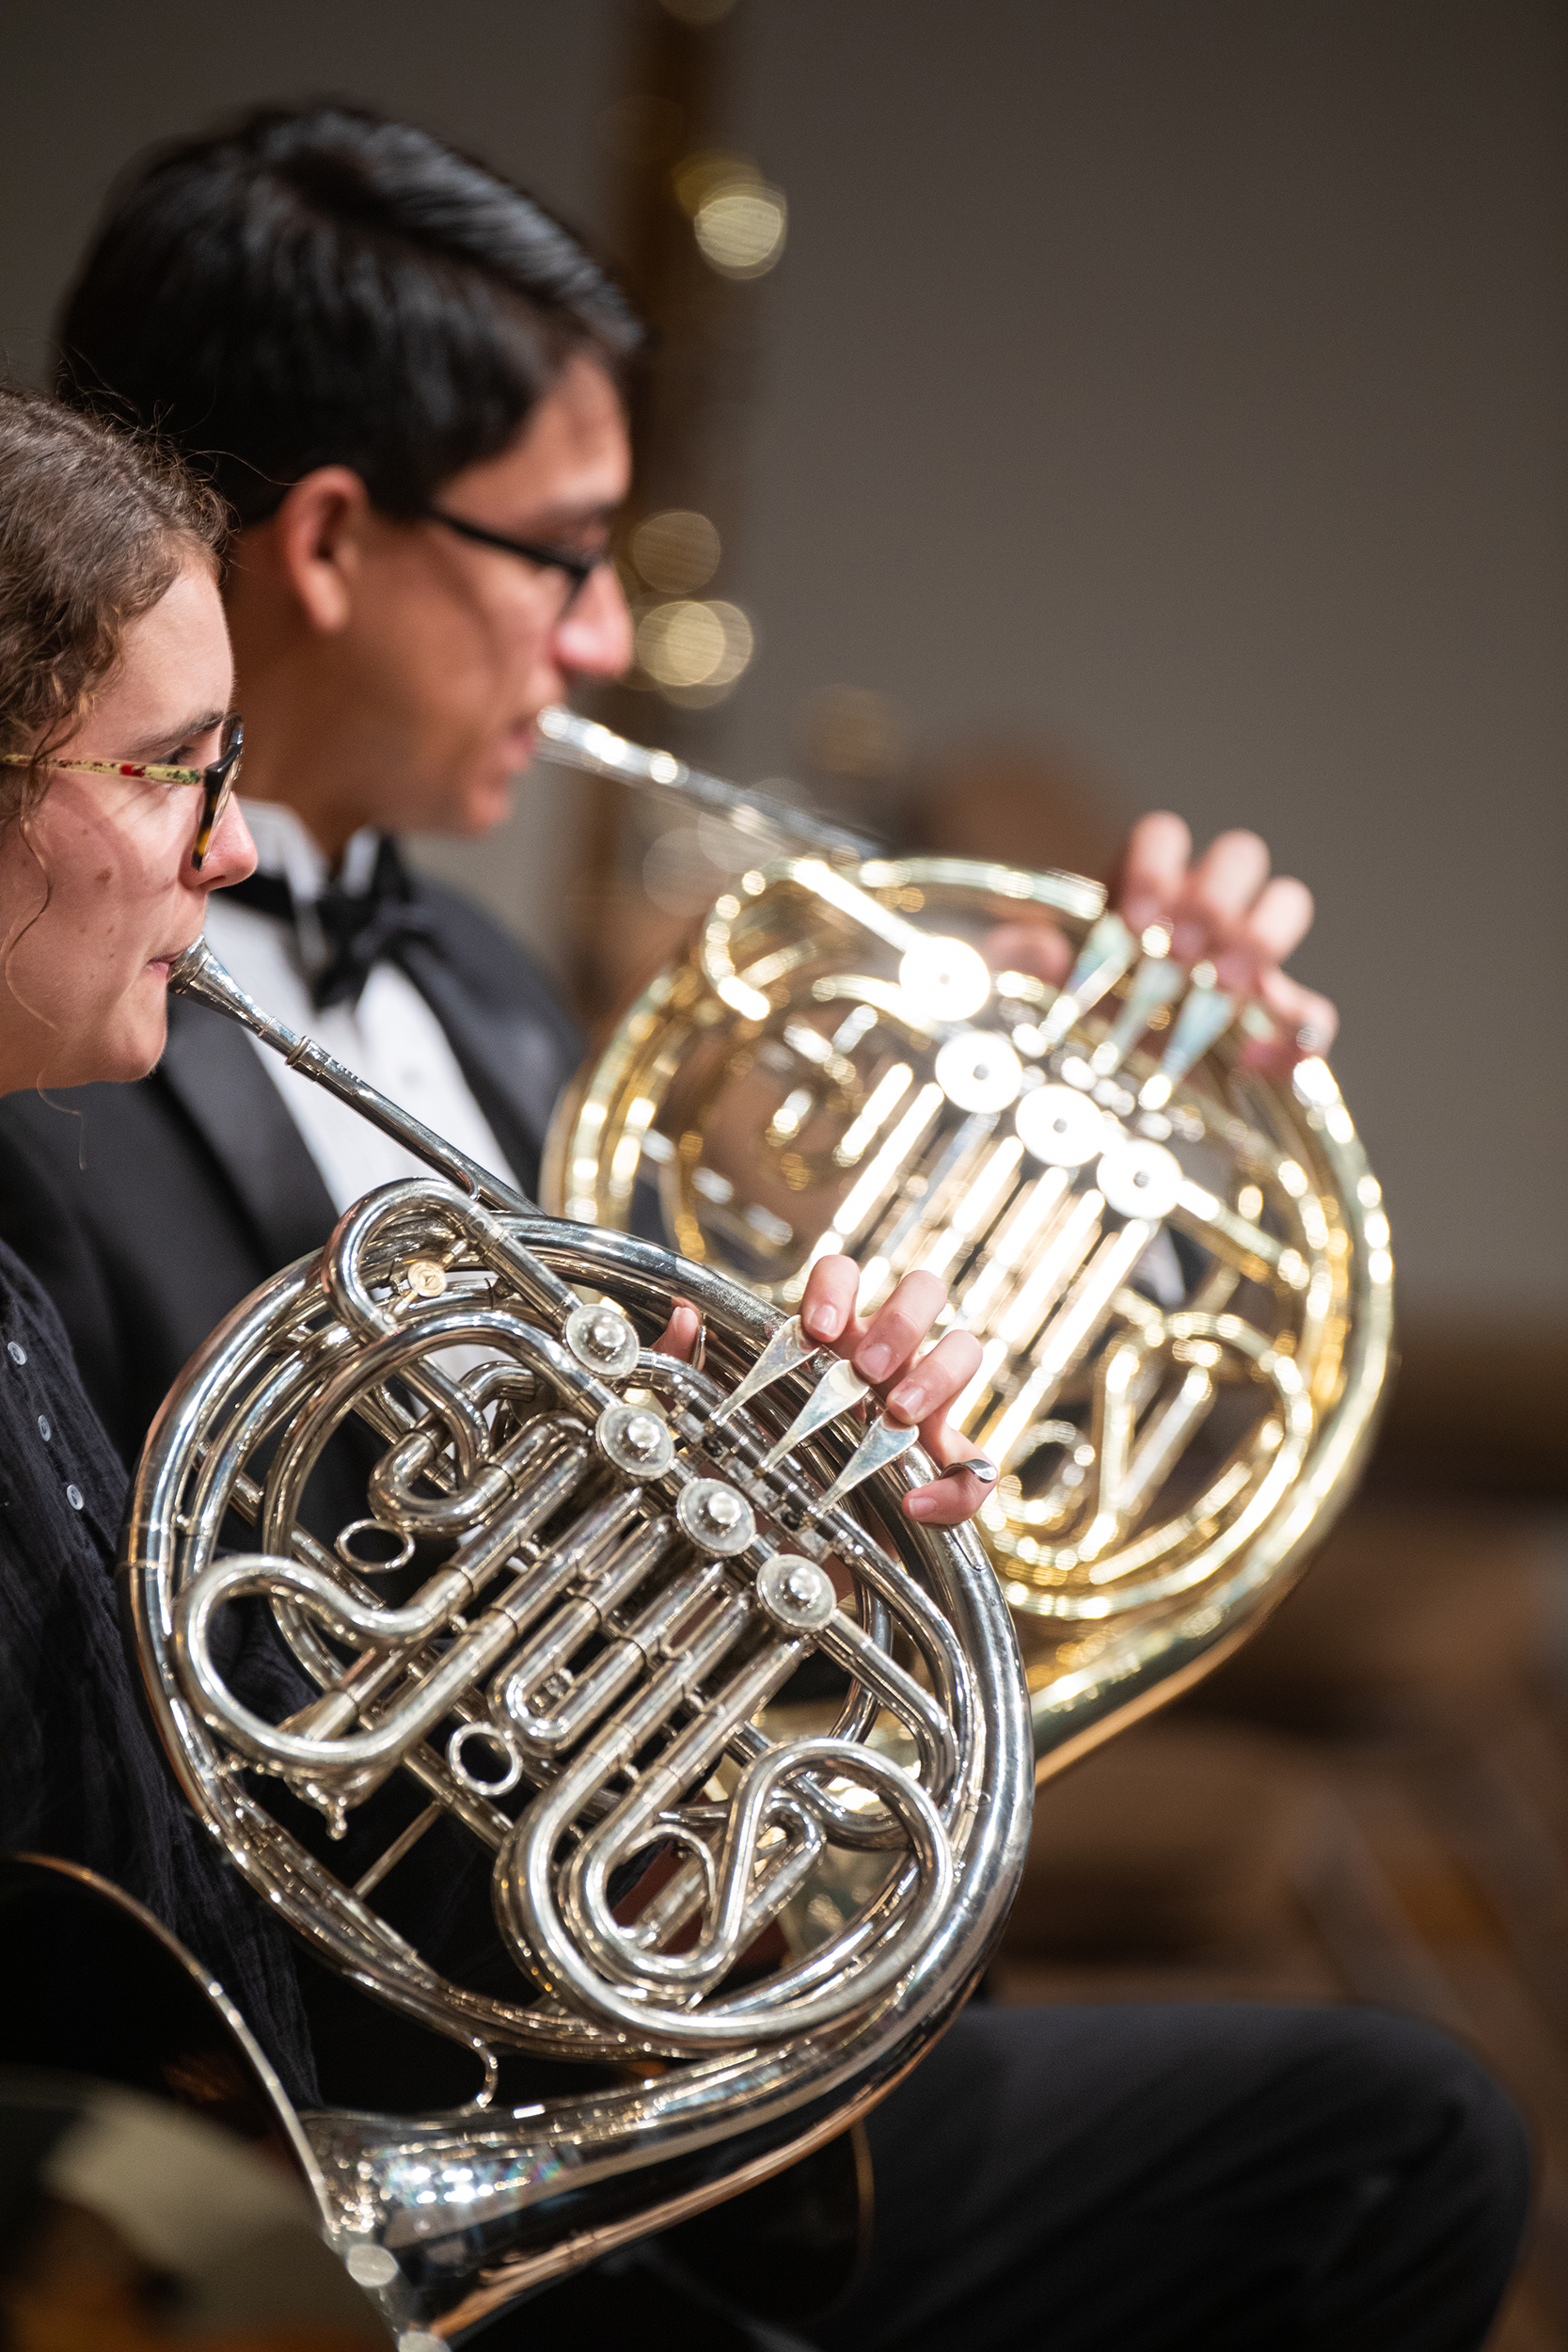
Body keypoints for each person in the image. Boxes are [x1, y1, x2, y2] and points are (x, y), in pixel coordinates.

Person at [0, 112, 1528, 2352]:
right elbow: (192, 1742)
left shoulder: (491, 990)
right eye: (561, 553)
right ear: (334, 542)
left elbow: (643, 1502)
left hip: (633, 1982)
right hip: (374, 2047)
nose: (609, 637)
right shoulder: (65, 1091)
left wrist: (828, 1426)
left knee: (1399, 2128)